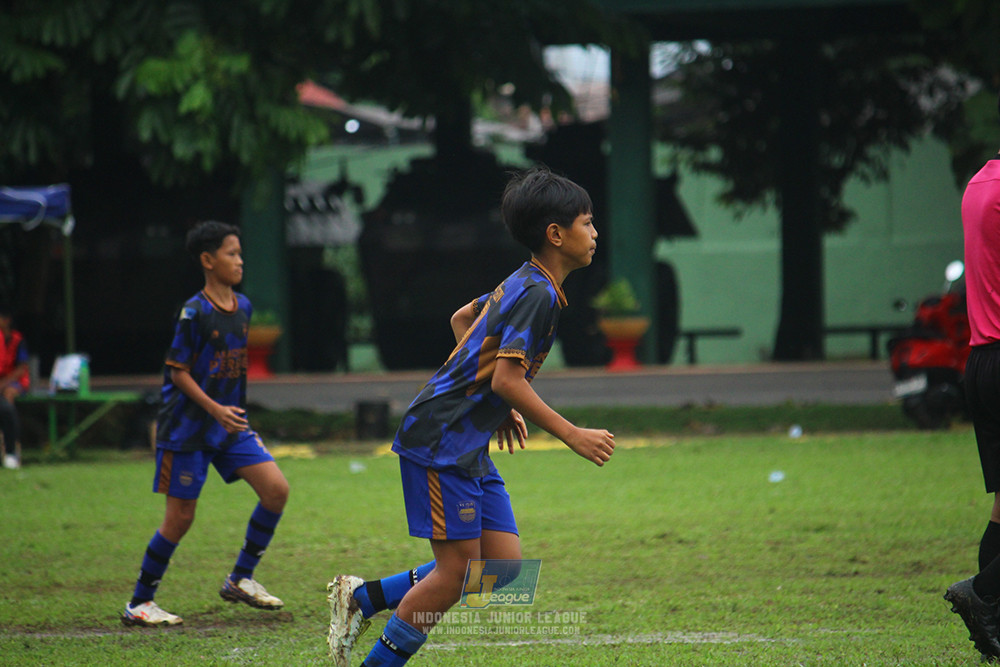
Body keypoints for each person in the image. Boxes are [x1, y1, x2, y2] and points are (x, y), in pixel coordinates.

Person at [326, 167, 616, 667]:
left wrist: (489, 400)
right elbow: (507, 378)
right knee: (457, 573)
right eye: (587, 223)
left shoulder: (528, 280)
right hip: (440, 440)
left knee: (503, 573)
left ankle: (363, 598)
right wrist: (571, 433)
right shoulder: (538, 293)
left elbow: (465, 320)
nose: (595, 233)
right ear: (556, 234)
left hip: (465, 440)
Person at [121, 221, 290, 627]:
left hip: (230, 426)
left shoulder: (244, 307)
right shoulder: (193, 313)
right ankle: (140, 603)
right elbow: (178, 372)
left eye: (240, 253)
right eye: (231, 254)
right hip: (187, 429)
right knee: (180, 518)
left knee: (276, 490)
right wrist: (215, 408)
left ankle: (241, 578)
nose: (240, 261)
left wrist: (229, 412)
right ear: (207, 260)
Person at [946, 90, 1000, 661]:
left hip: (981, 359)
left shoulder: (981, 182)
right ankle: (982, 595)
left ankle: (991, 627)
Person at [0, 306, 29, 469]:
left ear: (7, 320)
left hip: (14, 381)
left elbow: (21, 369)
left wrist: (3, 383)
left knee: (8, 395)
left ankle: (11, 446)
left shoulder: (18, 340)